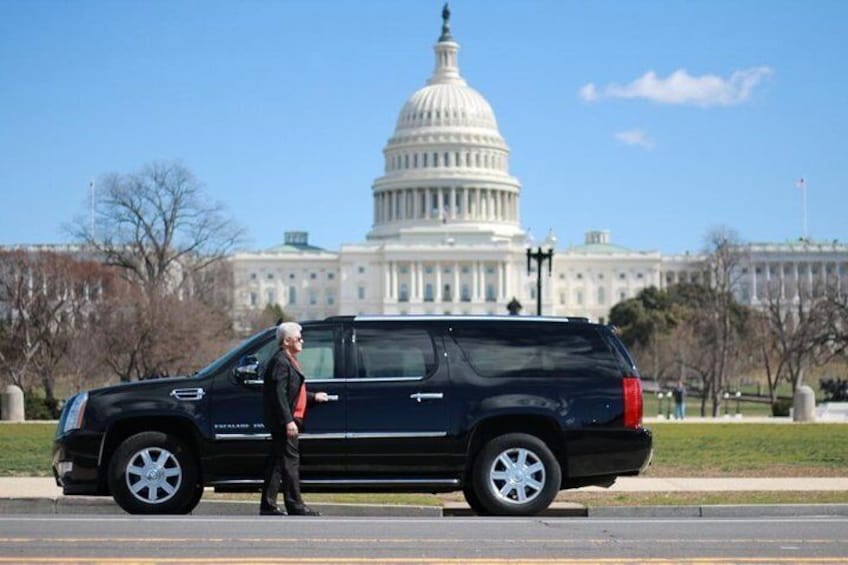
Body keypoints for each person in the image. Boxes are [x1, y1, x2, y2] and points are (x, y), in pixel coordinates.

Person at [260, 321, 328, 516]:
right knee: (290, 462)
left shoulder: (287, 360)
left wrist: (314, 397)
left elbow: (293, 392)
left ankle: (268, 505)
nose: (302, 341)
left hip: (287, 419)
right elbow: (278, 394)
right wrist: (288, 421)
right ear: (287, 341)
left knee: (277, 463)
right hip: (285, 422)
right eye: (298, 338)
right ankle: (295, 504)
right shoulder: (280, 362)